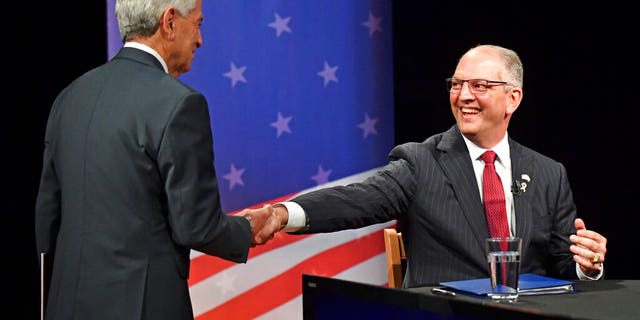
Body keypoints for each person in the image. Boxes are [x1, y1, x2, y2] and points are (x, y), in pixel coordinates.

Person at [258, 44, 608, 287]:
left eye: (480, 86)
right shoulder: (421, 162)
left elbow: (562, 264)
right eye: (456, 85)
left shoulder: (549, 173)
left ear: (512, 98)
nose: (464, 96)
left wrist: (585, 266)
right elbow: (358, 199)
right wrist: (283, 214)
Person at [34, 0, 274, 319]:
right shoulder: (179, 104)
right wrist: (246, 229)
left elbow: (46, 219)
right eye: (198, 24)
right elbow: (197, 227)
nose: (200, 40)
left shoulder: (69, 97)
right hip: (142, 308)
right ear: (170, 22)